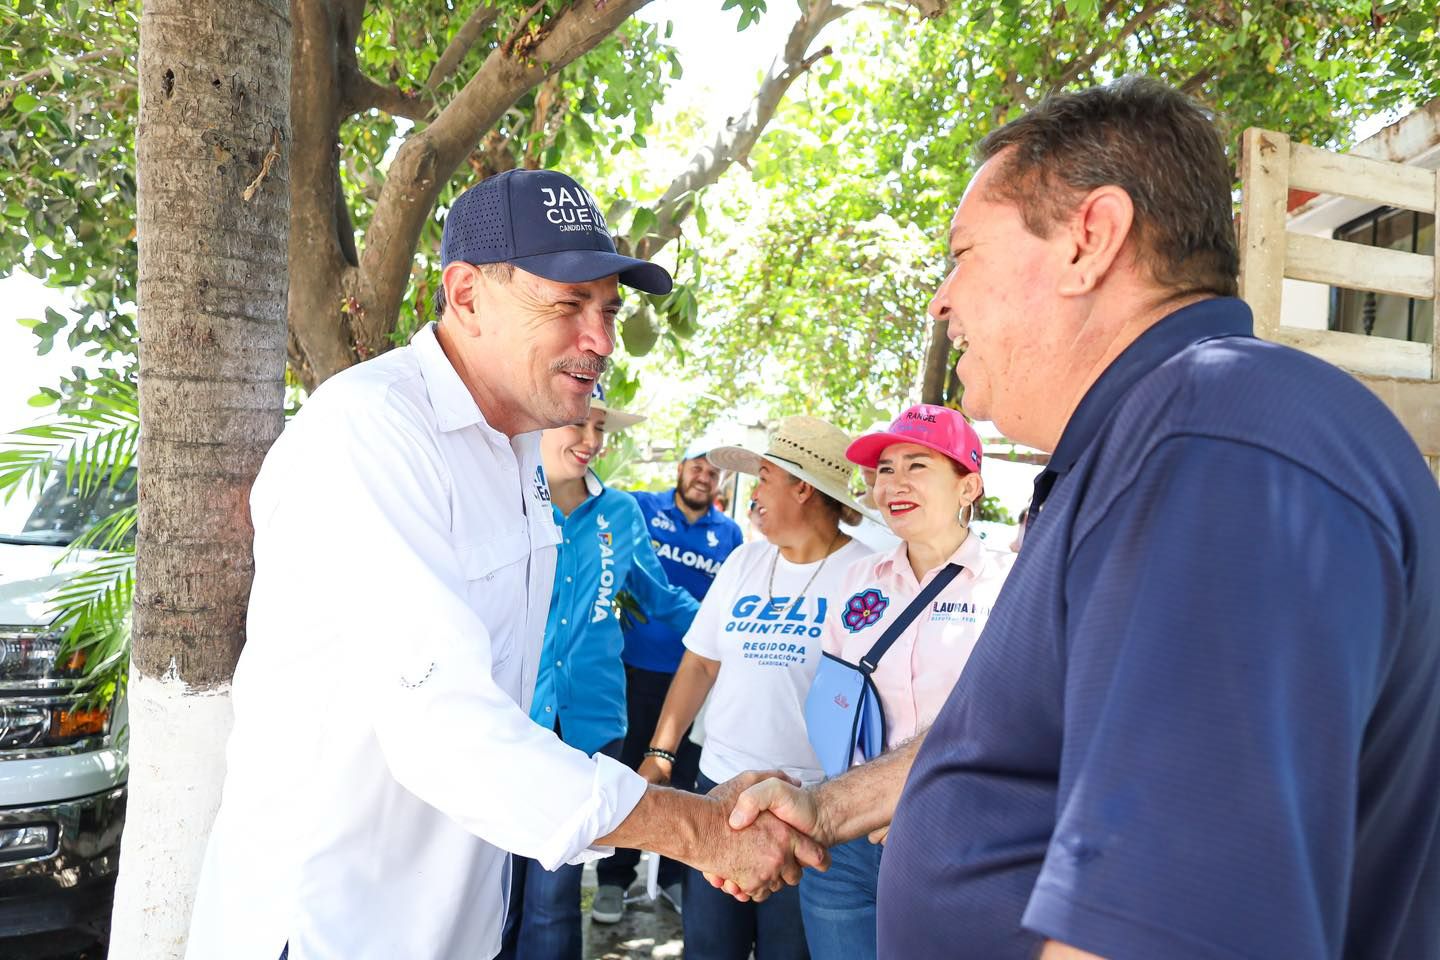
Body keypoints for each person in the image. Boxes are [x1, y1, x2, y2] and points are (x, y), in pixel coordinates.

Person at [722, 77, 1440, 959]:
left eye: (963, 255)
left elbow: (1173, 927)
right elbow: (1042, 740)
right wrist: (831, 806)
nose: (942, 301)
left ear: (1088, 241)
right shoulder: (1145, 446)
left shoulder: (1216, 444)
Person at [185, 168, 824, 960]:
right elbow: (443, 724)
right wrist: (694, 827)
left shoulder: (519, 452)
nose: (601, 340)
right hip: (333, 926)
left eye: (608, 310)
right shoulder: (371, 432)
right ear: (465, 294)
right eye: (567, 304)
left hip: (454, 922)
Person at [639, 416, 873, 960]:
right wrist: (659, 753)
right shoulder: (745, 560)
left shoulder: (868, 574)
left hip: (814, 809)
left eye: (765, 477)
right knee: (708, 948)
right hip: (719, 792)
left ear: (803, 488)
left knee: (787, 952)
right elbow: (699, 665)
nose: (753, 493)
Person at [798, 403, 1013, 960]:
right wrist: (852, 800)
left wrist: (914, 801)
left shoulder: (1010, 587)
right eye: (885, 469)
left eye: (918, 465)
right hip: (846, 844)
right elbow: (836, 700)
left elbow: (1021, 723)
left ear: (969, 487)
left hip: (955, 842)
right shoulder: (856, 580)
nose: (894, 482)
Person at [500, 381, 700, 959]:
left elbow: (659, 599)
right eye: (579, 424)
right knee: (493, 888)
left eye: (600, 429)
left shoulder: (620, 512)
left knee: (553, 896)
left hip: (591, 727)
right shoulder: (507, 496)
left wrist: (730, 631)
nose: (591, 440)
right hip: (509, 718)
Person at [594, 445, 743, 921]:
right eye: (697, 466)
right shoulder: (641, 508)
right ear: (680, 469)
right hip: (635, 671)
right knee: (632, 773)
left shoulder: (731, 533)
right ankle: (615, 880)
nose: (703, 476)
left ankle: (679, 878)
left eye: (712, 472)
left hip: (697, 679)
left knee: (685, 780)